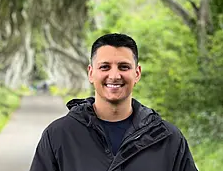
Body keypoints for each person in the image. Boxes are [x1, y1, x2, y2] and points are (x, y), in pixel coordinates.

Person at [29, 33, 198, 171]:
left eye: (124, 67)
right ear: (91, 73)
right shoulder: (59, 135)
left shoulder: (168, 138)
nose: (115, 75)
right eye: (105, 67)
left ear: (137, 73)